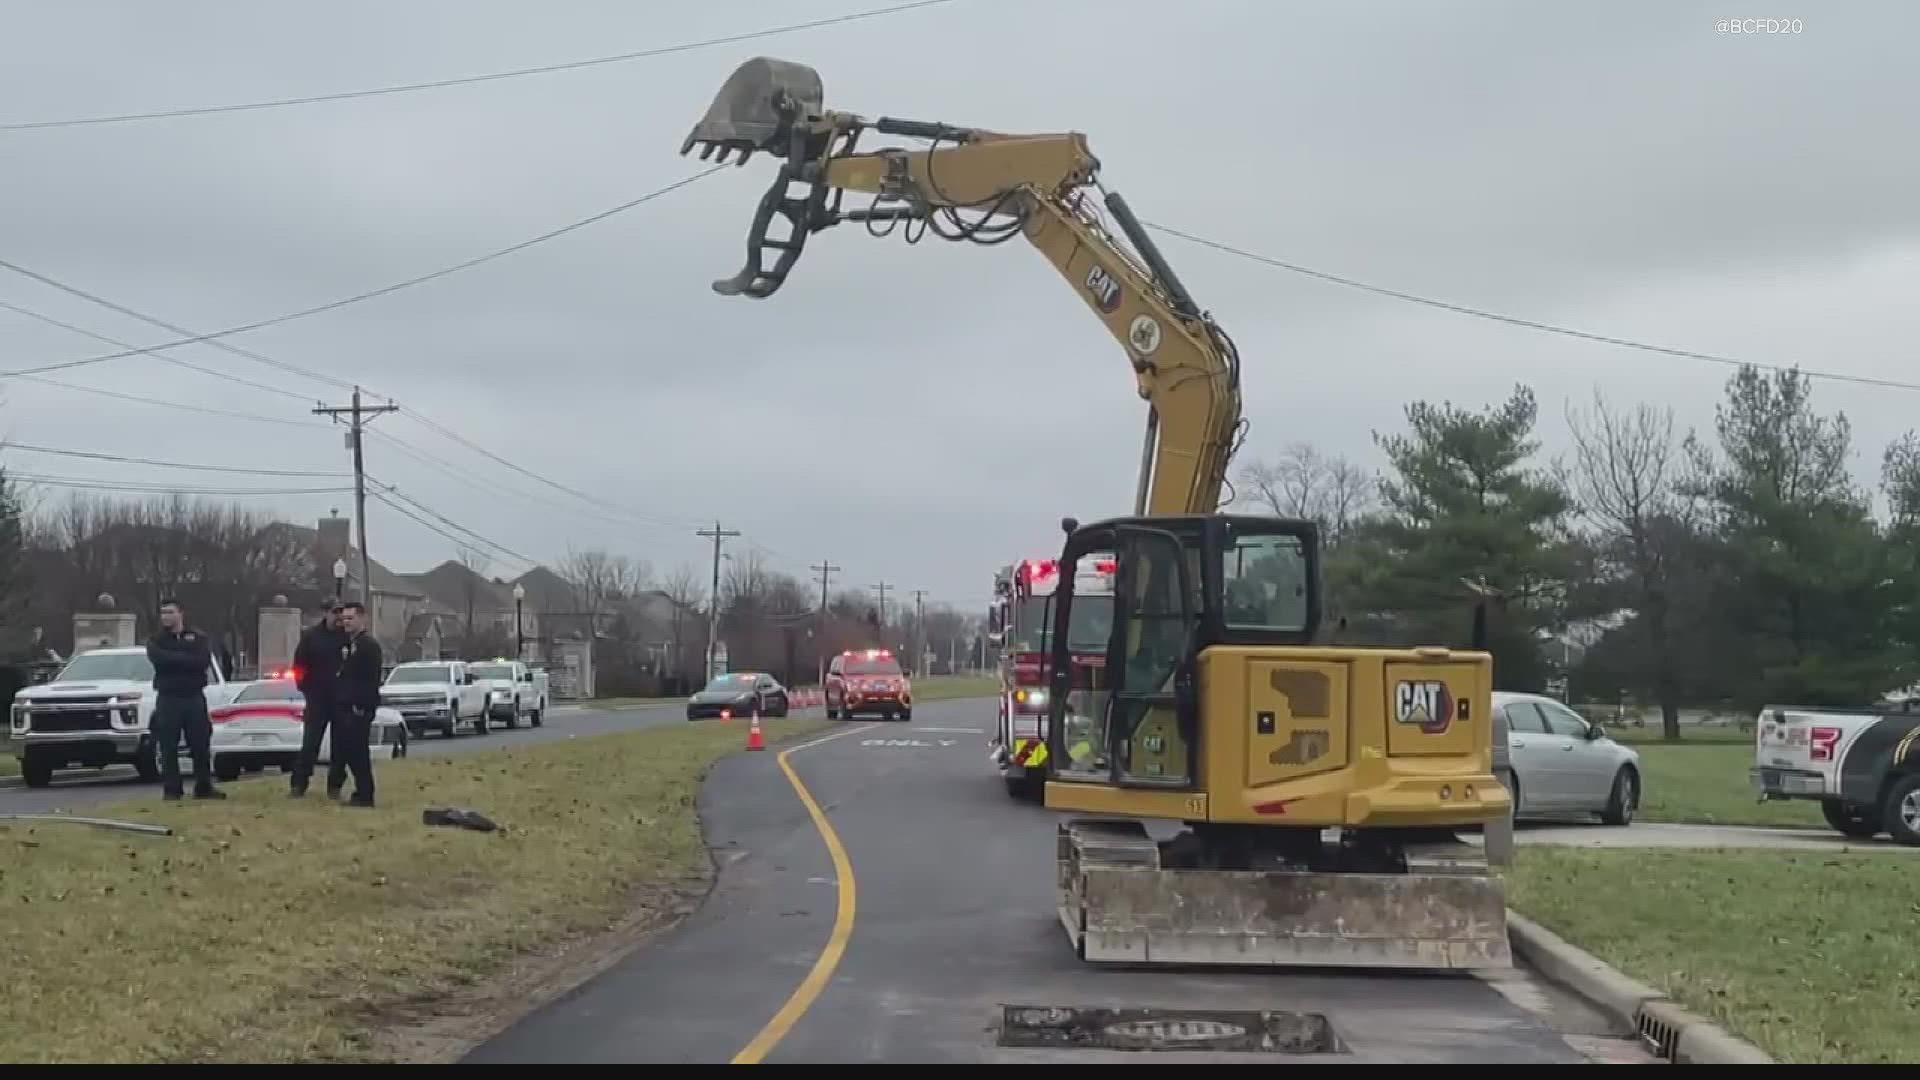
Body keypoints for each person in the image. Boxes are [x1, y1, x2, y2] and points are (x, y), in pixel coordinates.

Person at [146, 598, 225, 801]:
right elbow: (159, 659)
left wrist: (175, 658)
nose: (166, 617)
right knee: (168, 744)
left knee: (200, 743)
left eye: (170, 612)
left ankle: (204, 786)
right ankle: (172, 789)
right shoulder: (156, 640)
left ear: (181, 613)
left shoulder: (198, 637)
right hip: (168, 698)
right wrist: (184, 659)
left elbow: (201, 661)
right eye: (163, 612)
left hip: (193, 697)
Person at [288, 602, 348, 798]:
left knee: (340, 746)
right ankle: (299, 784)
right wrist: (304, 687)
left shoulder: (348, 637)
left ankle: (335, 786)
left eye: (342, 613)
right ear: (326, 613)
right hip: (317, 697)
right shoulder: (311, 636)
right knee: (310, 743)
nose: (339, 617)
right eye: (335, 612)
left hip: (341, 698)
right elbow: (299, 665)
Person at [331, 601, 383, 807]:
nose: (346, 623)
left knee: (358, 752)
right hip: (347, 705)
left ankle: (365, 794)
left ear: (362, 619)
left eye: (351, 619)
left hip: (359, 707)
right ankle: (359, 791)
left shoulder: (368, 646)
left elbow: (368, 680)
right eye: (344, 619)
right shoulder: (350, 644)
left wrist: (360, 705)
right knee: (350, 752)